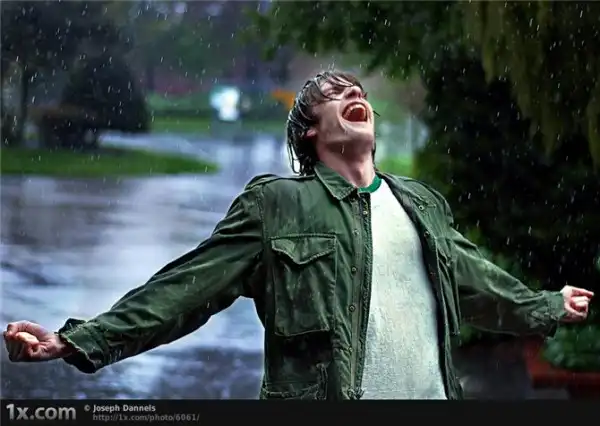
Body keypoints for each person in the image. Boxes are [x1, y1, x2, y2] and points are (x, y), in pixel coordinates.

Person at [4, 71, 594, 400]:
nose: (354, 96)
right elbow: (184, 289)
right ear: (311, 132)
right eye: (335, 96)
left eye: (358, 92)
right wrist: (76, 341)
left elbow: (476, 281)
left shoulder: (420, 204)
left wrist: (549, 305)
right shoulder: (277, 205)